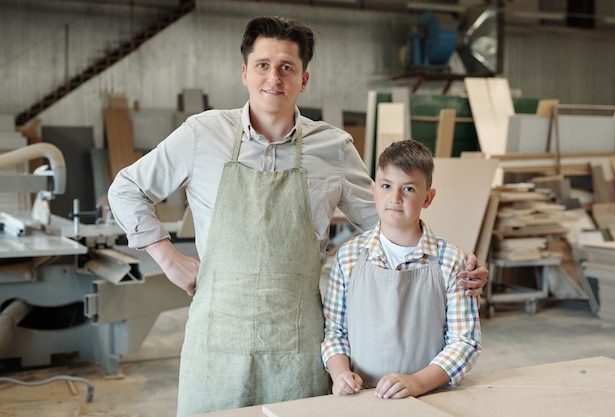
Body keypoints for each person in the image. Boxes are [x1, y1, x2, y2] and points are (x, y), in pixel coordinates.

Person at [107, 16, 487, 416]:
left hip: (299, 343)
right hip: (216, 342)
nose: (275, 77)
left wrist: (452, 267)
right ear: (244, 73)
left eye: (287, 67)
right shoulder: (202, 135)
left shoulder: (333, 148)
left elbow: (389, 221)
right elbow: (127, 188)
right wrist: (168, 259)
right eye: (263, 65)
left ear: (304, 79)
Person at [321, 140, 482, 400]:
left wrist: (417, 382)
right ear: (374, 191)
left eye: (408, 189)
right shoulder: (348, 258)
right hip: (361, 396)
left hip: (429, 395)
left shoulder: (451, 261)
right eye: (386, 186)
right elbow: (335, 332)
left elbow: (465, 342)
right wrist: (340, 374)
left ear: (428, 198)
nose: (395, 198)